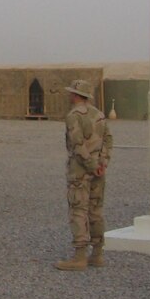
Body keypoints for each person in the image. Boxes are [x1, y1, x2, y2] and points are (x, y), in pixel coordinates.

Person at [55, 80, 113, 272]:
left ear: (75, 95)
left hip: (80, 170)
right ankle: (97, 254)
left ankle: (80, 257)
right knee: (95, 210)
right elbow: (108, 140)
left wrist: (91, 165)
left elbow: (77, 144)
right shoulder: (99, 114)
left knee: (78, 210)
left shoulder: (73, 116)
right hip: (98, 170)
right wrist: (102, 163)